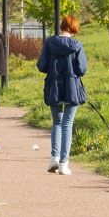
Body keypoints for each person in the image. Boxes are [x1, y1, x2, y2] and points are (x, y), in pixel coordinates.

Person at [38, 13, 88, 175]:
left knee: (57, 124)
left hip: (54, 87)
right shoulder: (77, 45)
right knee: (67, 125)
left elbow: (42, 66)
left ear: (61, 26)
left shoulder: (50, 42)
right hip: (72, 88)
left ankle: (54, 157)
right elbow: (82, 69)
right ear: (73, 28)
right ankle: (64, 164)